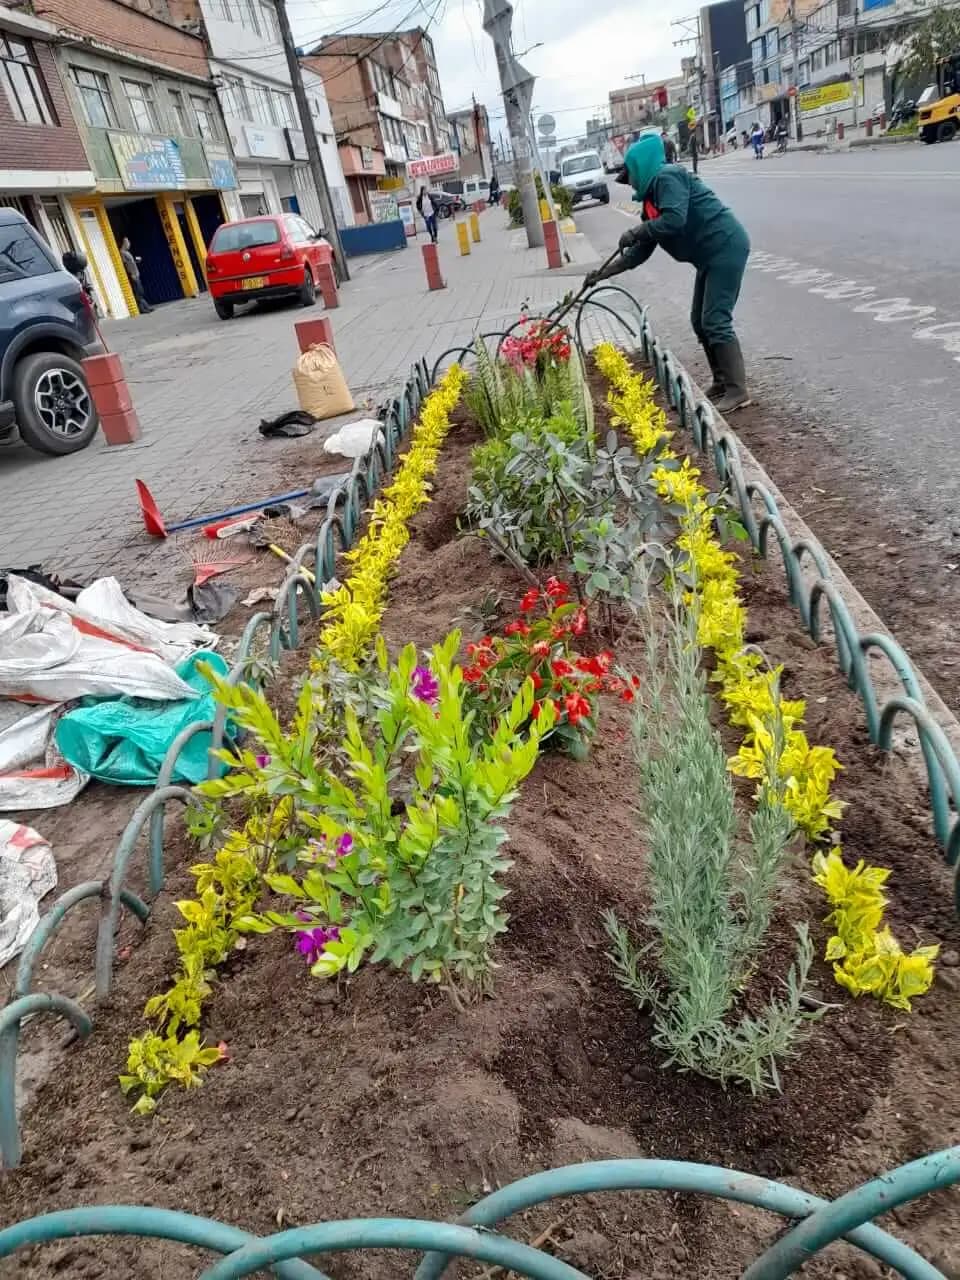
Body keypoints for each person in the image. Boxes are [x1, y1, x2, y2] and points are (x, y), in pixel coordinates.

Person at [585, 133, 751, 413]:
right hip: (709, 257)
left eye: (631, 177)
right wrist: (601, 274)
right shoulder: (651, 205)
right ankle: (721, 381)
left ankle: (738, 390)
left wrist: (637, 231)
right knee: (699, 320)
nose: (631, 183)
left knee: (715, 319)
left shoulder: (668, 177)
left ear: (641, 168)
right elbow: (639, 253)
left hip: (725, 248)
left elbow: (674, 220)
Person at [119, 237, 152, 313]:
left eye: (128, 242)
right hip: (133, 275)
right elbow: (126, 264)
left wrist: (136, 261)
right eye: (127, 242)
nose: (129, 244)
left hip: (136, 274)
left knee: (141, 291)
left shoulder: (128, 252)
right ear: (124, 243)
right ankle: (144, 309)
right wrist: (131, 274)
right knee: (138, 292)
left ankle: (146, 307)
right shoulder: (122, 252)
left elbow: (131, 263)